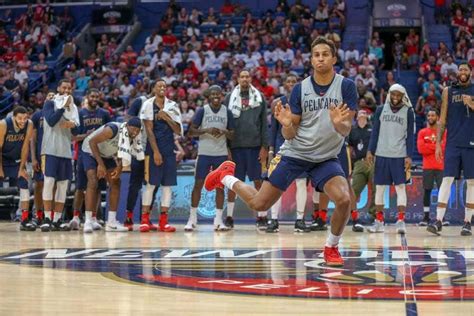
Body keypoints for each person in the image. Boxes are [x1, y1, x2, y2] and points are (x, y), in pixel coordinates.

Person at [205, 37, 357, 266]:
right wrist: (287, 124)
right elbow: (289, 135)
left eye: (325, 54)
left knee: (344, 199)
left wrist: (338, 124)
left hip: (325, 157)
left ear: (334, 58)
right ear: (311, 59)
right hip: (295, 153)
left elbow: (346, 128)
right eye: (316, 54)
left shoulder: (346, 86)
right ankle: (225, 176)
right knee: (259, 204)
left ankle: (331, 247)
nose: (321, 58)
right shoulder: (300, 90)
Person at [427, 63, 474, 236]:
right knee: (446, 180)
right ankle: (438, 220)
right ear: (457, 73)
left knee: (471, 183)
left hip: (471, 143)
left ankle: (467, 222)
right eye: (460, 70)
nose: (463, 72)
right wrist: (439, 143)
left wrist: (472, 104)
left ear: (470, 73)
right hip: (453, 143)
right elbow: (442, 119)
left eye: (465, 70)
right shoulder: (448, 91)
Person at [266, 74, 312, 233]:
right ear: (284, 85)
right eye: (288, 82)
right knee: (276, 184)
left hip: (301, 149)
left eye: (294, 82)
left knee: (301, 185)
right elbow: (273, 130)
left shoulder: (305, 102)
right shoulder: (279, 103)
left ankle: (300, 220)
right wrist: (271, 149)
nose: (291, 84)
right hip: (282, 148)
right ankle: (273, 219)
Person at [366, 84, 415, 234]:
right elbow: (375, 132)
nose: (395, 97)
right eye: (392, 94)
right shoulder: (381, 109)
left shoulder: (408, 111)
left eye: (398, 95)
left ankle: (401, 221)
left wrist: (409, 155)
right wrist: (370, 150)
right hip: (381, 154)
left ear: (403, 95)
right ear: (389, 94)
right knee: (379, 189)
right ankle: (379, 221)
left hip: (399, 155)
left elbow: (410, 136)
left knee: (401, 188)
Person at [223, 69, 269, 230]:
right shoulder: (229, 97)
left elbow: (264, 124)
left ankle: (262, 216)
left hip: (255, 146)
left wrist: (265, 147)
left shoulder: (260, 97)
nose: (244, 79)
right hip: (235, 147)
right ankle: (229, 217)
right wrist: (226, 148)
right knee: (234, 183)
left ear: (251, 79)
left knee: (258, 182)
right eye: (242, 76)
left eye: (247, 76)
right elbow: (225, 124)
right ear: (237, 79)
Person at [185, 85, 235, 231]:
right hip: (204, 153)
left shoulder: (228, 112)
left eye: (218, 94)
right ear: (208, 96)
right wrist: (207, 130)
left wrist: (224, 131)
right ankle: (192, 219)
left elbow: (233, 134)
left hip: (221, 154)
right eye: (213, 94)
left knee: (220, 187)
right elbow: (191, 132)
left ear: (221, 96)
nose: (215, 96)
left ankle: (218, 221)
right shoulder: (202, 111)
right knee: (198, 185)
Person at [82, 118, 143, 232]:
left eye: (137, 130)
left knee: (115, 182)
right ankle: (88, 221)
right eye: (133, 129)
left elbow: (123, 154)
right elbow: (92, 142)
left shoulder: (132, 138)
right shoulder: (112, 129)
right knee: (93, 181)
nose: (135, 132)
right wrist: (100, 165)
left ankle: (111, 222)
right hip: (90, 151)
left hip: (107, 155)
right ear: (127, 126)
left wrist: (119, 168)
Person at [139, 79, 182, 233]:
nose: (162, 88)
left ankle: (164, 222)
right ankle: (144, 220)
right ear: (154, 89)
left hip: (169, 150)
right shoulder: (148, 105)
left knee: (167, 187)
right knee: (150, 185)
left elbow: (178, 130)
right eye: (159, 86)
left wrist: (167, 118)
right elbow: (149, 131)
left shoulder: (172, 106)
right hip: (152, 150)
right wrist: (156, 152)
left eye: (164, 86)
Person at [39, 79, 80, 232]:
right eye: (64, 87)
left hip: (65, 151)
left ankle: (57, 219)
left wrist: (73, 125)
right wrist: (63, 107)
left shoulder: (74, 107)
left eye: (69, 88)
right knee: (49, 183)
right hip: (49, 149)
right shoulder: (50, 102)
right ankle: (46, 218)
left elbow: (76, 131)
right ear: (58, 88)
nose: (67, 90)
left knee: (63, 186)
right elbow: (50, 121)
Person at [70, 88, 111, 230]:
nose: (94, 98)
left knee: (98, 187)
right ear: (87, 97)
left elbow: (109, 134)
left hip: (100, 153)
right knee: (81, 187)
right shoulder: (80, 114)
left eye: (97, 96)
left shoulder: (104, 114)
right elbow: (73, 137)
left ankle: (93, 217)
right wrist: (87, 135)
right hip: (83, 153)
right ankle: (76, 217)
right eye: (92, 96)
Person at [0, 106, 34, 231]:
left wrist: (21, 168)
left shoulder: (29, 125)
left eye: (25, 118)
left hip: (15, 160)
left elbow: (25, 148)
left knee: (24, 183)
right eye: (20, 118)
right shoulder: (3, 124)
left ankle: (24, 219)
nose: (22, 121)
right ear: (13, 117)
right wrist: (0, 168)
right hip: (2, 159)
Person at [123, 94, 149, 230]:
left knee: (152, 186)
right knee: (135, 185)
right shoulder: (141, 101)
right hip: (138, 149)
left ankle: (146, 218)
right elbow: (127, 120)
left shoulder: (164, 106)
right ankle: (129, 217)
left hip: (152, 150)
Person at [416, 109, 446, 226]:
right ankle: (426, 217)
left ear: (438, 117)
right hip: (427, 166)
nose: (430, 117)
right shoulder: (422, 132)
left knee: (442, 192)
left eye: (433, 115)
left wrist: (429, 146)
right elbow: (420, 149)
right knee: (427, 191)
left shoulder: (444, 132)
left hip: (441, 166)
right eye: (429, 115)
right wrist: (436, 146)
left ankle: (441, 219)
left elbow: (444, 147)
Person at [30, 91, 54, 226]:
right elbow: (32, 139)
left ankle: (51, 216)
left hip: (54, 154)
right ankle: (38, 215)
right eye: (48, 96)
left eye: (53, 97)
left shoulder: (58, 115)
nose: (50, 99)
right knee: (38, 186)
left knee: (53, 186)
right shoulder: (37, 115)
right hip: (40, 155)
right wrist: (33, 158)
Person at [348, 109, 375, 227]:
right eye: (361, 114)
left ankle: (373, 215)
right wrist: (350, 166)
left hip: (372, 161)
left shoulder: (373, 129)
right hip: (359, 163)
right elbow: (349, 148)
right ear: (357, 117)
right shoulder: (352, 131)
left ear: (367, 117)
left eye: (365, 114)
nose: (363, 115)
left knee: (375, 189)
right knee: (353, 190)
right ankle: (351, 215)